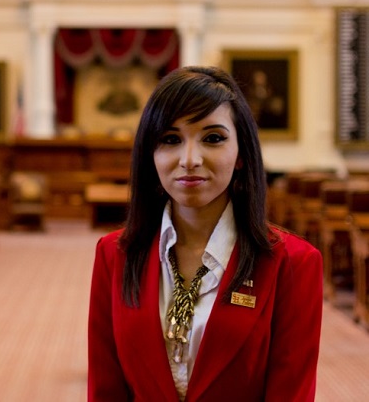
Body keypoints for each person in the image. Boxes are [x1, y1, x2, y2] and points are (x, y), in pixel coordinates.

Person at [88, 66, 323, 401]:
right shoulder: (115, 254)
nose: (189, 159)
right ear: (149, 154)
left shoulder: (294, 263)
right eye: (170, 139)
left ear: (241, 153)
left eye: (213, 138)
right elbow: (105, 389)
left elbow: (291, 392)